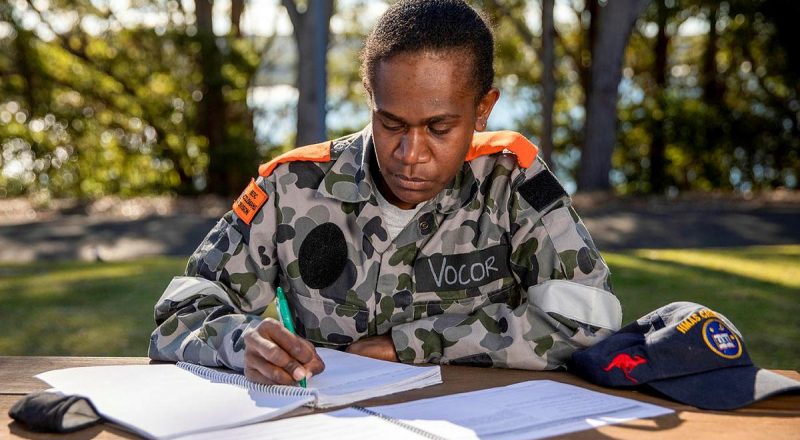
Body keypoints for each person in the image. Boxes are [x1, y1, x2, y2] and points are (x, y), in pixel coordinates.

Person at [148, 0, 621, 386]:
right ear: (370, 97)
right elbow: (180, 316)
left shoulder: (511, 182)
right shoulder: (292, 187)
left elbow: (589, 321)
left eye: (439, 128)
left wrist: (414, 346)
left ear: (483, 109)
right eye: (391, 123)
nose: (411, 153)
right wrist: (243, 342)